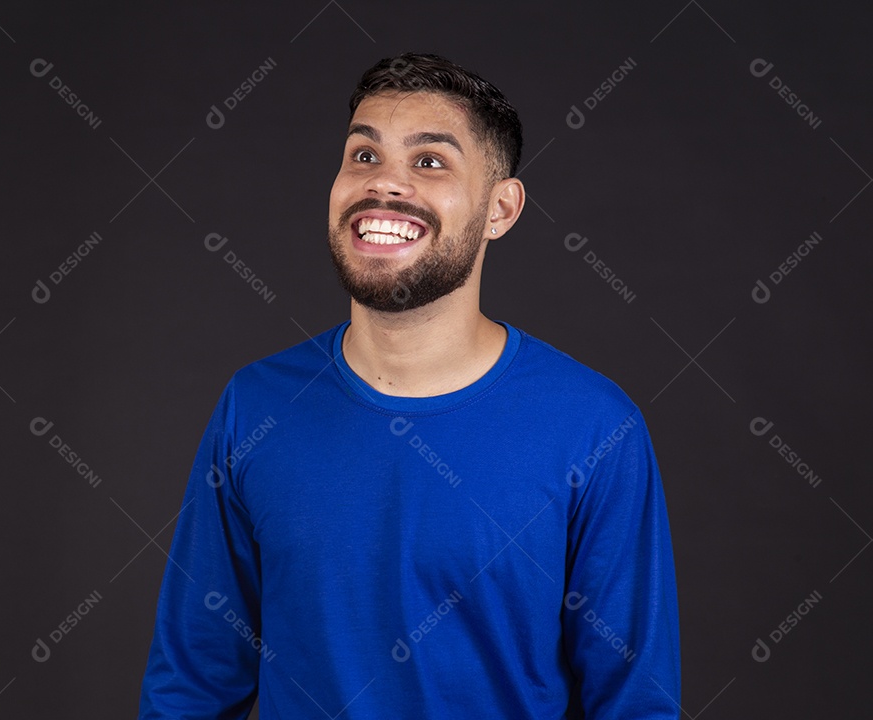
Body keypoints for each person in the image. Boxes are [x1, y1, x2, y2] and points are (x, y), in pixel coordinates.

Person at [138, 52, 680, 719]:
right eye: (363, 156)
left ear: (500, 209)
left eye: (429, 161)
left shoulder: (595, 428)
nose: (384, 184)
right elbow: (191, 687)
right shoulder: (255, 407)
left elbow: (634, 704)